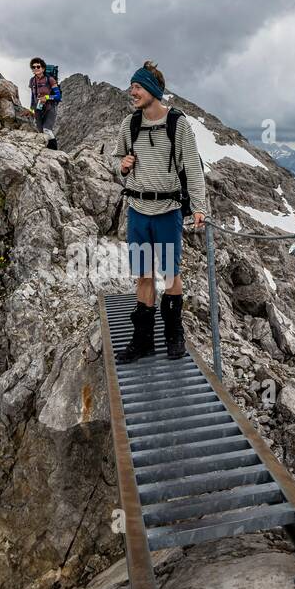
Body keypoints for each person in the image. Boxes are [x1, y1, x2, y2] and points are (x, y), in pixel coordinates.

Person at [109, 61, 208, 363]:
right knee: (143, 275)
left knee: (170, 274)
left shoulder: (178, 125)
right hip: (138, 211)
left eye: (137, 86)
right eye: (132, 86)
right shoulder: (130, 124)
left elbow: (192, 167)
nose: (132, 91)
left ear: (152, 89)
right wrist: (122, 166)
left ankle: (174, 334)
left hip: (167, 211)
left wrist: (199, 206)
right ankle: (143, 341)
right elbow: (116, 159)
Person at [28, 57, 61, 150]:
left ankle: (54, 151)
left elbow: (58, 96)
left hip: (50, 107)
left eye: (38, 66)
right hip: (38, 108)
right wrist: (31, 110)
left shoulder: (50, 80)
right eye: (33, 67)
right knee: (41, 132)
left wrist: (46, 97)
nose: (35, 69)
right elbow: (32, 96)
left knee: (47, 129)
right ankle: (46, 151)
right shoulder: (32, 81)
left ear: (43, 68)